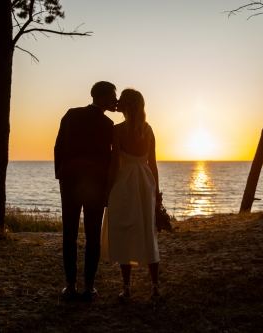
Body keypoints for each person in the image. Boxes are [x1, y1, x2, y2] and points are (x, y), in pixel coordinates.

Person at [54, 81, 117, 301]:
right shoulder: (108, 124)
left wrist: (59, 174)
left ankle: (70, 285)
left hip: (69, 182)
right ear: (102, 100)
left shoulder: (71, 114)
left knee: (69, 234)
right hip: (96, 186)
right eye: (113, 98)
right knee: (93, 236)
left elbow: (58, 146)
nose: (115, 101)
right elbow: (111, 158)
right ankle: (89, 286)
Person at [101, 88, 161, 302]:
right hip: (145, 182)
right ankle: (155, 287)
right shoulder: (148, 129)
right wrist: (157, 193)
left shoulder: (117, 130)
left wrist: (107, 190)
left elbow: (114, 164)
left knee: (125, 230)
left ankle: (127, 288)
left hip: (124, 182)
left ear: (126, 105)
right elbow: (153, 165)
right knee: (148, 230)